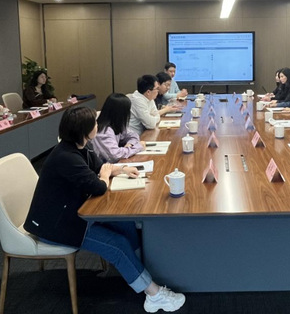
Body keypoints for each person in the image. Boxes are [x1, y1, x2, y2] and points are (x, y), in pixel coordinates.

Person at [24, 105, 185, 312]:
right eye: (94, 123)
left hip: (73, 211)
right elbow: (99, 186)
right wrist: (105, 176)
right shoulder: (66, 157)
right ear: (84, 129)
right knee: (117, 244)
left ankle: (138, 269)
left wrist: (121, 169)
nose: (97, 125)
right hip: (56, 225)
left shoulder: (81, 146)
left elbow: (101, 167)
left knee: (124, 224)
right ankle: (153, 294)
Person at [90, 93, 145, 162]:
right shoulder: (104, 131)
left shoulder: (117, 124)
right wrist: (138, 147)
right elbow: (115, 155)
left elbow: (133, 135)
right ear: (120, 113)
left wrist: (130, 144)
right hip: (104, 166)